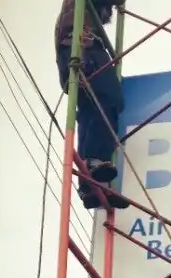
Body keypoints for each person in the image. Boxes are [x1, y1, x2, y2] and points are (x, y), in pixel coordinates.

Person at [55, 1, 129, 210]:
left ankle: (90, 184)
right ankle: (93, 163)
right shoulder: (77, 15)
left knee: (92, 107)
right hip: (82, 45)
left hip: (80, 45)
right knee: (107, 99)